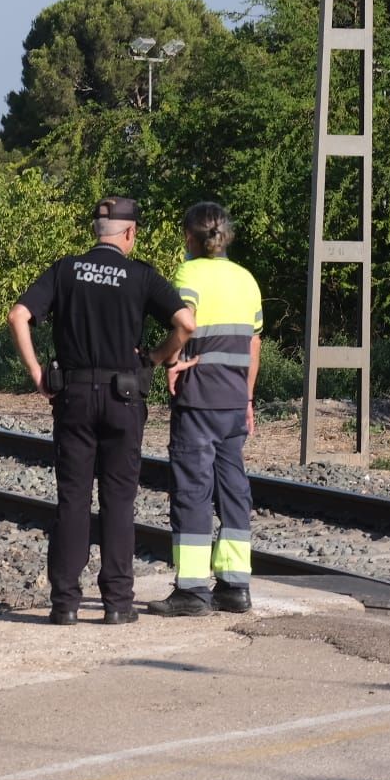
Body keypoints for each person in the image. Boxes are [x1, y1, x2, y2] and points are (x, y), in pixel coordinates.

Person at [8, 197, 195, 625]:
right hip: (123, 398)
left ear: (98, 231)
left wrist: (37, 372)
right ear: (129, 233)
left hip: (72, 397)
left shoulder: (65, 269)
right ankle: (117, 604)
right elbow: (186, 324)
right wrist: (155, 357)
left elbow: (18, 315)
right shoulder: (141, 275)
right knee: (118, 500)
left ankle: (65, 604)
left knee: (72, 499)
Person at [147, 202, 263, 617]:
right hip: (234, 400)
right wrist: (248, 398)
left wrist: (169, 361)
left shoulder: (189, 273)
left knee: (193, 489)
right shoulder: (246, 279)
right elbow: (253, 343)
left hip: (198, 396)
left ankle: (192, 589)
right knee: (233, 488)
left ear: (188, 237)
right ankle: (235, 586)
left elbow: (186, 324)